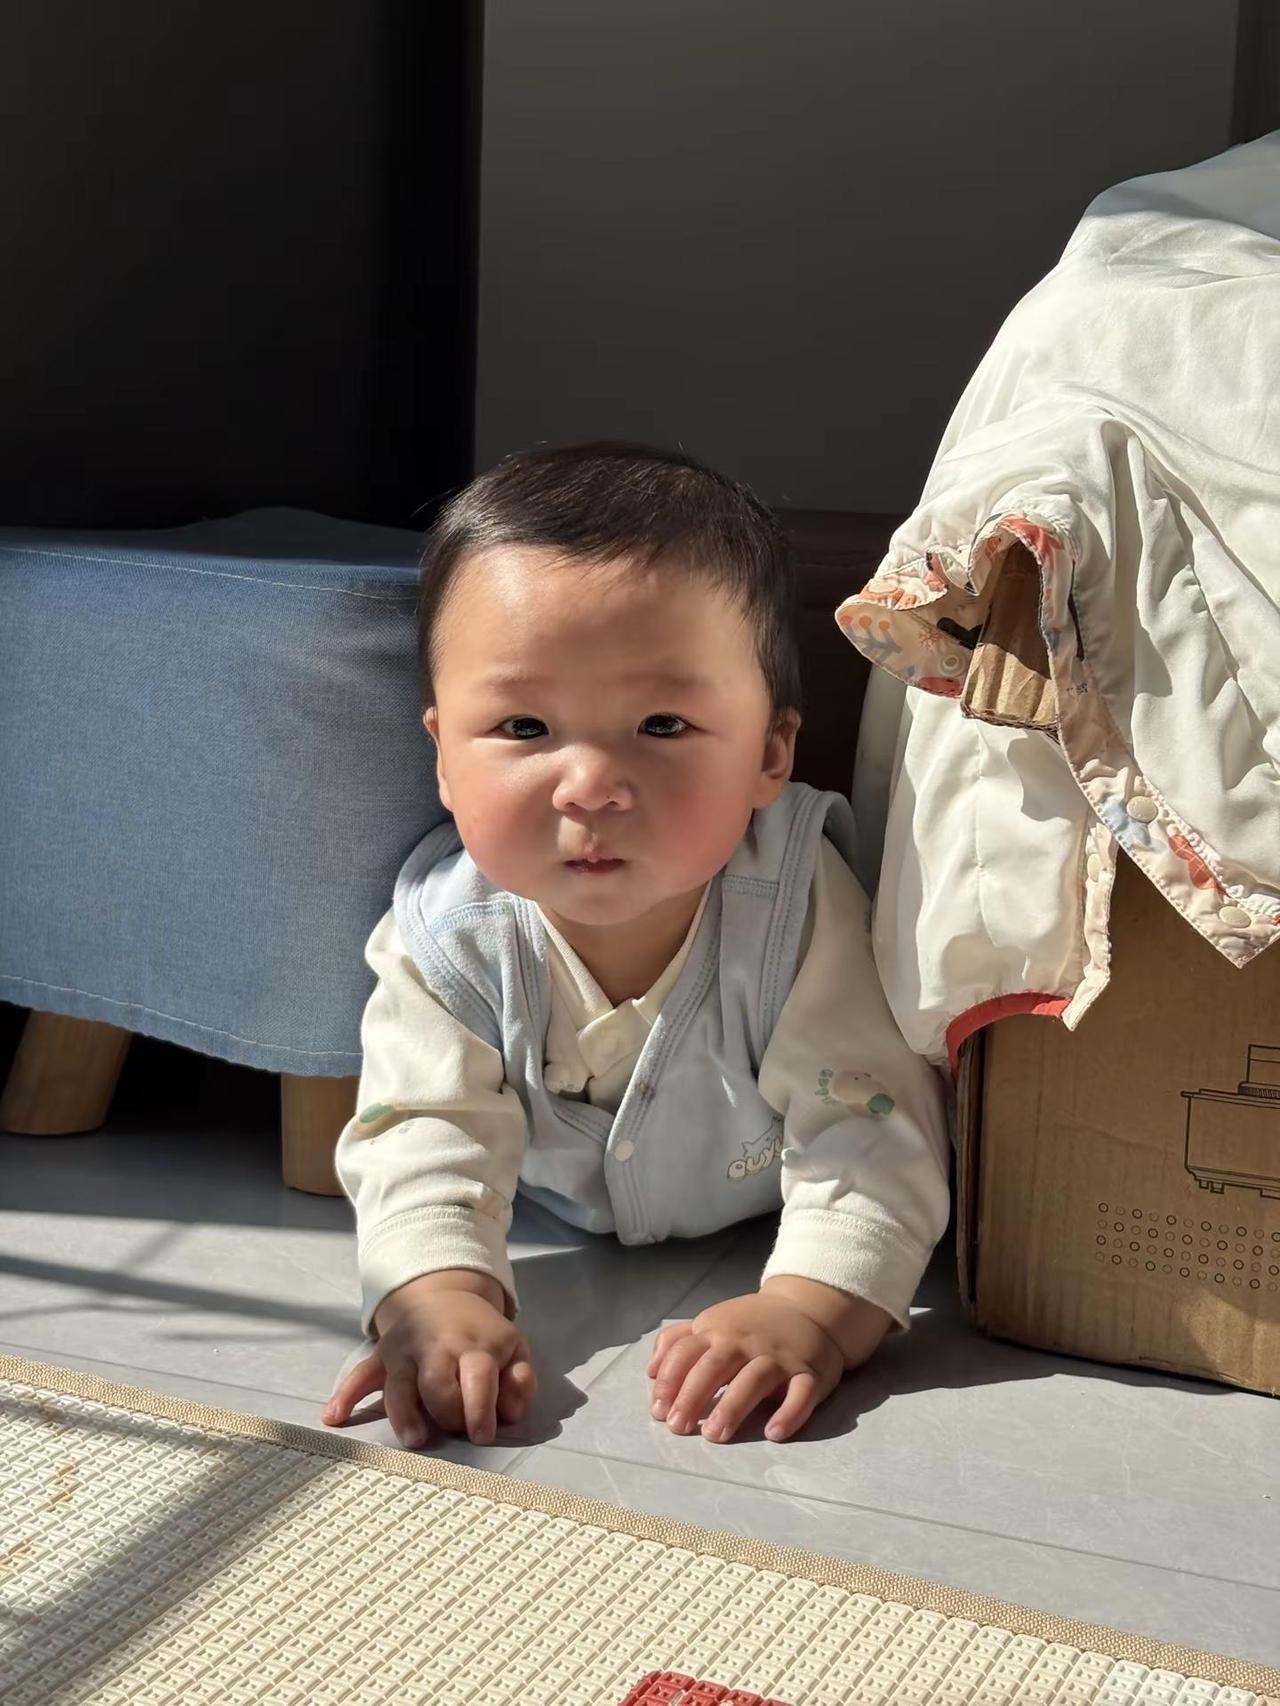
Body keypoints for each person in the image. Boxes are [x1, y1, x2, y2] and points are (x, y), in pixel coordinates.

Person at [322, 442, 949, 1450]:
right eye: (523, 726)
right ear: (441, 755)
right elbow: (422, 1130)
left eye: (660, 724)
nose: (591, 785)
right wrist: (432, 1291)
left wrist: (810, 1307)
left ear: (770, 753)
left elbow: (868, 1127)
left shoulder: (795, 904)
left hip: (763, 1196)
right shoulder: (446, 937)